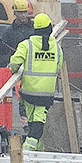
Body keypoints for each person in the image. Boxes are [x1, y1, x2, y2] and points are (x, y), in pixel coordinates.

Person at [8, 11, 65, 150]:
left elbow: (14, 62)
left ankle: (32, 149)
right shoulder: (57, 47)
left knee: (33, 121)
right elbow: (59, 65)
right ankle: (31, 149)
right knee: (38, 121)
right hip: (46, 94)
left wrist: (14, 71)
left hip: (28, 92)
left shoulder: (26, 45)